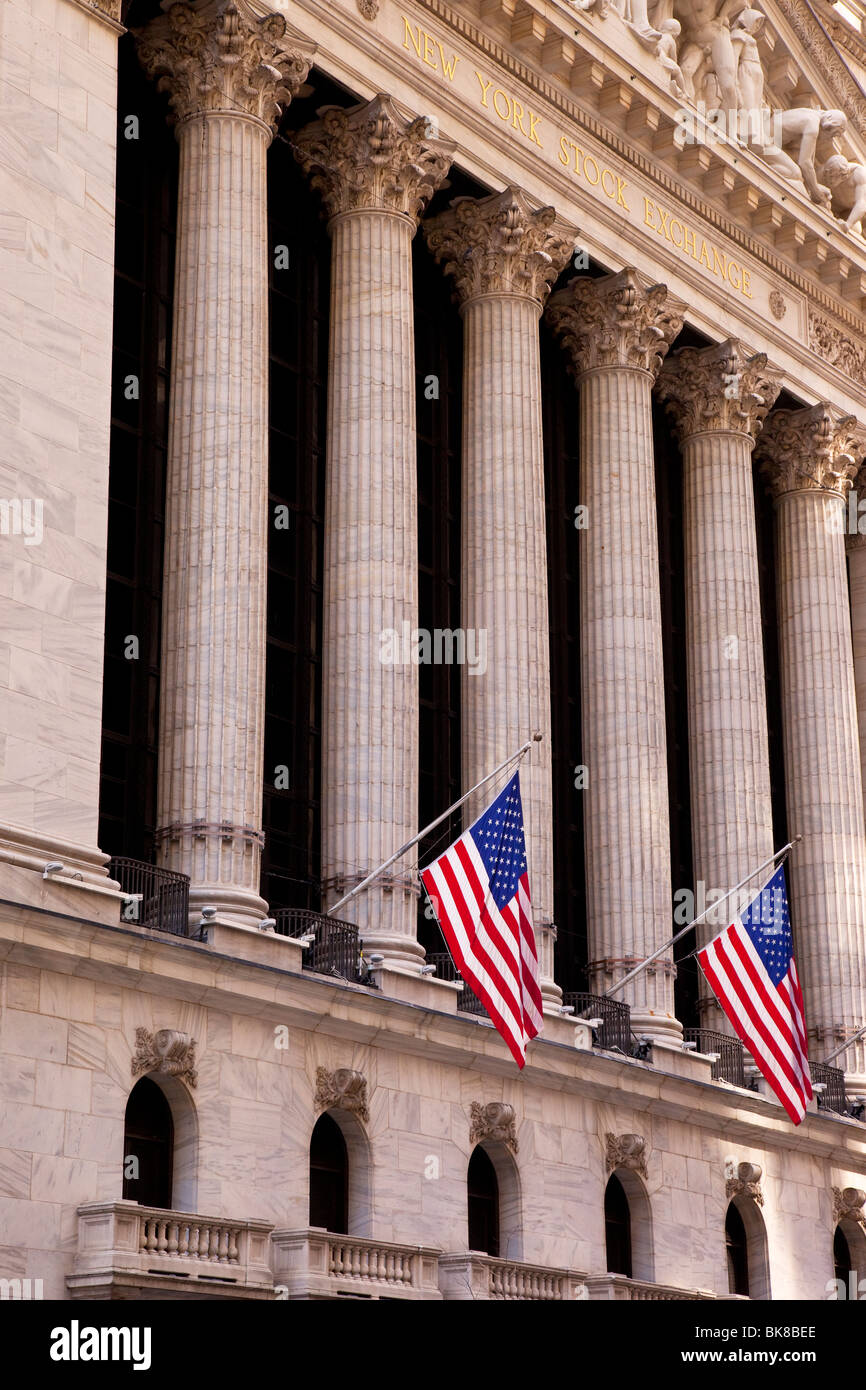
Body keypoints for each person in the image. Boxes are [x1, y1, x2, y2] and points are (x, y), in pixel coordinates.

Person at [823, 153, 866, 234]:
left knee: (856, 229)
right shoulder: (826, 170)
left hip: (847, 212)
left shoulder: (859, 174)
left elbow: (862, 202)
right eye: (828, 176)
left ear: (844, 176)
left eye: (832, 177)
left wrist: (848, 224)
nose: (829, 180)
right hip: (828, 203)